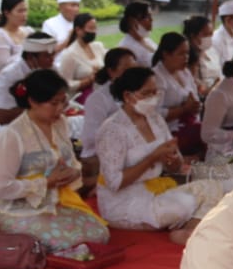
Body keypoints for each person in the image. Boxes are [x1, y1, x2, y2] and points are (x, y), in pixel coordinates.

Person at [0, 69, 109, 254]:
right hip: (17, 210)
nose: (61, 109)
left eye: (63, 102)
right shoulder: (13, 134)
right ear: (32, 102)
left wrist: (73, 172)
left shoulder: (60, 123)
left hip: (53, 203)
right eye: (54, 103)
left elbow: (71, 162)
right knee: (68, 243)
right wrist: (45, 182)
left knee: (99, 234)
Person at [96, 67, 222, 242]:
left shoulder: (155, 118)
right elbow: (114, 182)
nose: (153, 98)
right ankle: (189, 227)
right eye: (146, 93)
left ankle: (189, 231)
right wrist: (153, 158)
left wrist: (172, 159)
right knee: (182, 206)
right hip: (124, 203)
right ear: (127, 96)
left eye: (155, 92)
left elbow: (175, 167)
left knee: (213, 188)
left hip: (157, 191)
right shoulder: (112, 129)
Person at [80, 47, 138, 186]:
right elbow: (90, 138)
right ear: (111, 72)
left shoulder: (137, 94)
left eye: (134, 70)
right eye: (126, 70)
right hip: (99, 155)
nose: (132, 75)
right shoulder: (98, 99)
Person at [0, 34, 58, 126]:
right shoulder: (9, 75)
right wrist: (41, 110)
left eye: (53, 55)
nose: (52, 60)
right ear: (30, 57)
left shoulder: (51, 69)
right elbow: (2, 116)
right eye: (47, 56)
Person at [151, 32, 204, 153]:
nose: (186, 57)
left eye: (187, 53)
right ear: (166, 54)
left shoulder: (185, 72)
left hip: (191, 125)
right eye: (181, 53)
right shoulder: (157, 77)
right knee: (207, 133)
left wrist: (196, 106)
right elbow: (154, 114)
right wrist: (184, 109)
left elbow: (195, 101)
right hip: (168, 132)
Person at [55, 12, 104, 91]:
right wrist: (88, 81)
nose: (94, 32)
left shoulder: (98, 46)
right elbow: (65, 84)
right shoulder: (70, 54)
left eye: (95, 28)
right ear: (78, 30)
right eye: (90, 28)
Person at [0, 0, 32, 73]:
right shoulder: (0, 37)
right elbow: (3, 67)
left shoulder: (29, 31)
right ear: (7, 13)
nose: (24, 15)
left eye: (25, 10)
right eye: (20, 11)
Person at [184, 15, 221, 95]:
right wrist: (216, 84)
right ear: (193, 36)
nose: (209, 38)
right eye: (205, 35)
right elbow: (200, 91)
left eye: (211, 35)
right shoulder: (187, 59)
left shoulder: (211, 52)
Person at [118, 0, 158, 65]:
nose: (152, 20)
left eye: (151, 16)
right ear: (132, 21)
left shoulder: (147, 40)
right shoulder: (125, 48)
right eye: (148, 17)